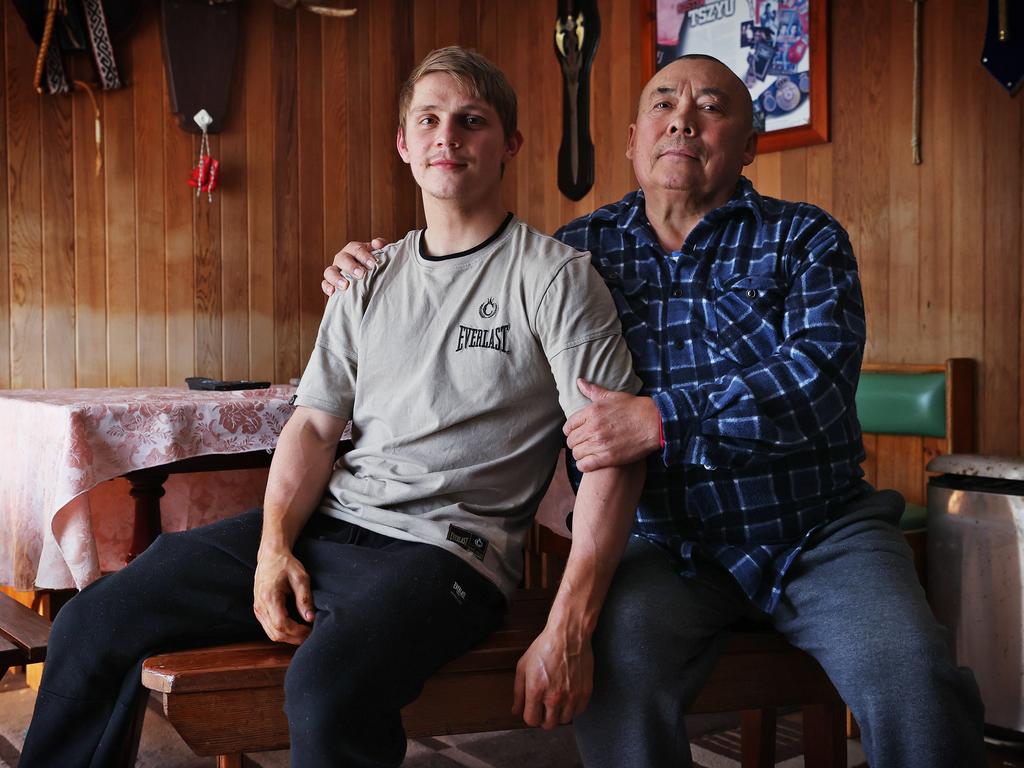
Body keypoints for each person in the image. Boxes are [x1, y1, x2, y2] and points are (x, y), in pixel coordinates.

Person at [324, 54, 987, 768]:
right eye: (664, 103)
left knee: (917, 681)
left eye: (710, 106)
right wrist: (380, 270)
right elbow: (471, 349)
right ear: (635, 137)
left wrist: (663, 418)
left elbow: (817, 384)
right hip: (663, 545)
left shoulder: (806, 238)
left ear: (747, 143)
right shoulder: (576, 254)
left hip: (818, 531)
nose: (683, 118)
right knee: (616, 678)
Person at [20, 46, 645, 768]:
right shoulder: (368, 278)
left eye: (471, 121)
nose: (448, 136)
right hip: (332, 526)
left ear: (509, 144)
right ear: (404, 144)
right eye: (430, 119)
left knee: (326, 685)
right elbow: (314, 428)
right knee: (93, 621)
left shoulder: (556, 278)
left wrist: (568, 629)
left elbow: (612, 457)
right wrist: (274, 547)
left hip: (448, 556)